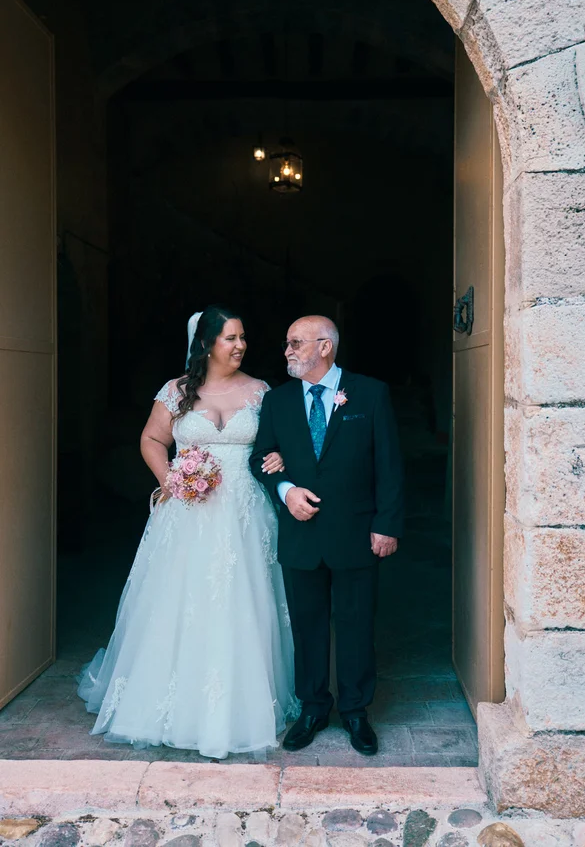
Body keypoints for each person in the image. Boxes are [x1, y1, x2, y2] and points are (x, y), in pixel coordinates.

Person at [78, 306, 298, 759]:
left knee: (244, 602)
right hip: (187, 515)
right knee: (179, 604)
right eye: (230, 338)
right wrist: (171, 479)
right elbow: (151, 440)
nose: (240, 346)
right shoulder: (176, 391)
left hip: (244, 514)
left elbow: (277, 445)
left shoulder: (260, 391)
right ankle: (170, 706)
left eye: (242, 337)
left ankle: (240, 707)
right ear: (205, 344)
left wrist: (277, 459)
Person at [250, 315, 403, 756]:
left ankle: (356, 711)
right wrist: (285, 489)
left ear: (325, 347)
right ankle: (313, 708)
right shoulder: (277, 402)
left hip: (357, 531)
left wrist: (387, 523)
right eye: (287, 343)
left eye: (296, 343)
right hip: (300, 535)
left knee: (357, 624)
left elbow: (389, 464)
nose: (288, 351)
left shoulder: (370, 393)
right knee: (307, 625)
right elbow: (259, 456)